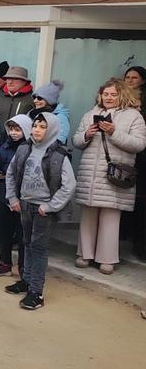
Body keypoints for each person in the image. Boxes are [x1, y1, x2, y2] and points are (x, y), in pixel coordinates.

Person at [73, 78, 146, 274]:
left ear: (122, 95)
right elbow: (76, 140)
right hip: (90, 173)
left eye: (113, 94)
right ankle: (84, 254)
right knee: (88, 214)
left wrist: (114, 132)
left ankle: (107, 259)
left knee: (110, 217)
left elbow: (139, 144)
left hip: (115, 174)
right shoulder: (91, 114)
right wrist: (87, 134)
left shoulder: (134, 116)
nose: (109, 98)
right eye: (105, 94)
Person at [4, 113, 76, 309]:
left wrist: (51, 206)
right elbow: (10, 174)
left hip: (43, 209)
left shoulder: (58, 155)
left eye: (42, 126)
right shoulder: (24, 148)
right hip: (24, 205)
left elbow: (69, 185)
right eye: (35, 125)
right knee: (26, 244)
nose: (36, 129)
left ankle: (37, 292)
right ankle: (26, 281)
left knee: (38, 248)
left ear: (51, 129)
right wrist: (13, 198)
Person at [0, 115, 32, 278]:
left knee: (23, 235)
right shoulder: (4, 148)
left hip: (22, 198)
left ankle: (23, 267)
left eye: (18, 129)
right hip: (3, 195)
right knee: (4, 232)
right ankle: (5, 263)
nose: (13, 133)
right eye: (11, 129)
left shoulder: (30, 149)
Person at [124, 66, 146, 259]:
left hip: (141, 154)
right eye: (127, 77)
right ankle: (125, 231)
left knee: (140, 197)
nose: (130, 80)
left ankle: (138, 241)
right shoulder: (117, 98)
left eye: (135, 77)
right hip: (122, 155)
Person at [0, 66, 35, 143]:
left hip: (20, 145)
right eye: (8, 78)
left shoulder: (32, 99)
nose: (9, 82)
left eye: (14, 79)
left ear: (25, 81)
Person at [30, 80, 70, 144]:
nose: (35, 101)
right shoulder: (31, 113)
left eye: (39, 98)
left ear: (50, 100)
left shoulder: (60, 116)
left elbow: (59, 140)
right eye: (34, 97)